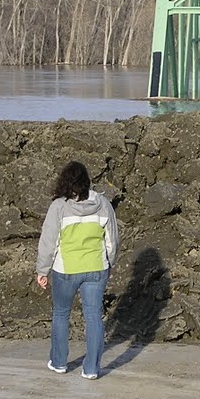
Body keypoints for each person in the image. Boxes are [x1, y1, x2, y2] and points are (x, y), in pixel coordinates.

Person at [36, 161, 119, 380]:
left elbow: (48, 242)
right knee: (93, 317)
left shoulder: (59, 207)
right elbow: (112, 240)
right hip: (96, 269)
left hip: (66, 270)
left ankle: (59, 362)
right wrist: (109, 262)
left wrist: (42, 270)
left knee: (61, 314)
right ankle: (91, 369)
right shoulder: (103, 204)